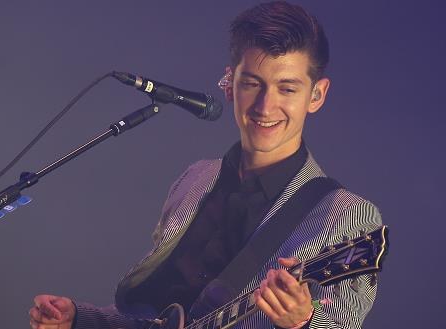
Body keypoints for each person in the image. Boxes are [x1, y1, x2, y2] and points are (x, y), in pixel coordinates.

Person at [29, 1, 382, 329]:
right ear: (229, 85)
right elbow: (155, 315)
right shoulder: (196, 178)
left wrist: (304, 321)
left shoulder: (348, 216)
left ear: (316, 95)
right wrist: (79, 319)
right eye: (252, 84)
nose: (265, 105)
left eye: (287, 89)